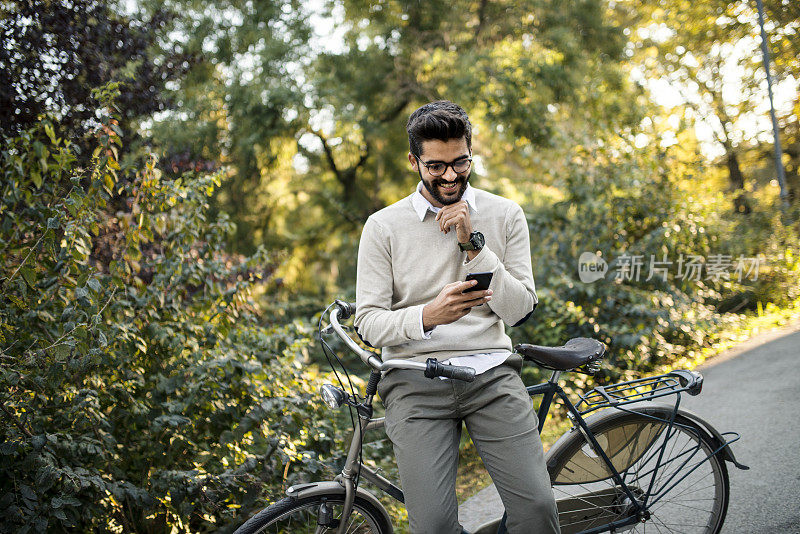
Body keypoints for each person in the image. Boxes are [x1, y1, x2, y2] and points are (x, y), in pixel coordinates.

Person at [354, 100, 560, 534]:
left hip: (490, 376)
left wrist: (473, 243)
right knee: (431, 528)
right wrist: (429, 315)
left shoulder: (505, 214)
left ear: (470, 153)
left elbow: (520, 309)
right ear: (414, 161)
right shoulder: (382, 227)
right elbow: (368, 322)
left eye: (460, 162)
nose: (450, 176)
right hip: (413, 383)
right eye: (435, 166)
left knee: (538, 512)